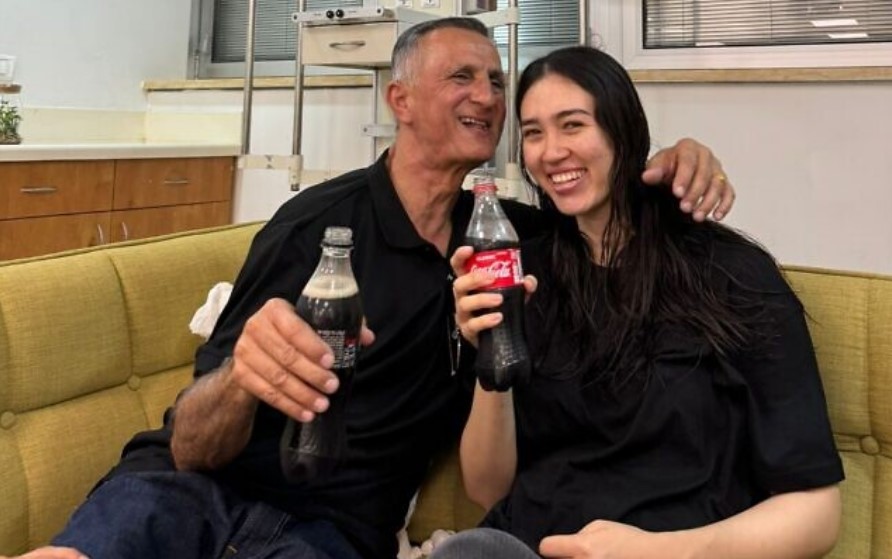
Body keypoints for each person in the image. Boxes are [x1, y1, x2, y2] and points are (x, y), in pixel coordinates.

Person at [4, 20, 736, 559]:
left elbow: (606, 216)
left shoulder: (508, 241)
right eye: (462, 77)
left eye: (494, 80)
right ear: (401, 99)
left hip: (333, 535)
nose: (487, 95)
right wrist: (240, 378)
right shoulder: (311, 227)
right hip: (188, 493)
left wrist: (671, 165)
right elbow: (191, 444)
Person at [436, 46, 844, 559]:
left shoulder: (730, 275)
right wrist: (493, 354)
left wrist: (657, 550)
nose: (552, 150)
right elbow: (488, 489)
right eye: (534, 132)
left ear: (622, 131)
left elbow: (817, 513)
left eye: (573, 125)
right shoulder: (524, 270)